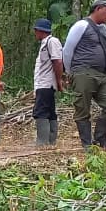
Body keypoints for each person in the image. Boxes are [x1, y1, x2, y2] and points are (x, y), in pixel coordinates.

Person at [63, 0, 106, 149]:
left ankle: (100, 139)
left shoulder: (103, 29)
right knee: (83, 108)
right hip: (83, 71)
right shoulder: (81, 25)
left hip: (102, 74)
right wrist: (70, 72)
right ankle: (87, 145)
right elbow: (68, 50)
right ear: (97, 9)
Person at [31, 19, 65, 147]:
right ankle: (50, 142)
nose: (35, 33)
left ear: (40, 31)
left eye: (36, 30)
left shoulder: (52, 42)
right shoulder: (45, 44)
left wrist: (58, 81)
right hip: (43, 84)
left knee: (41, 111)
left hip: (47, 84)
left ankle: (42, 142)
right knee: (49, 111)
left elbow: (58, 62)